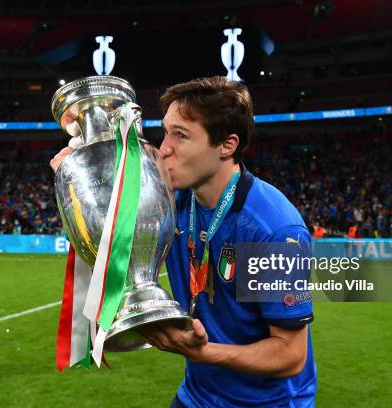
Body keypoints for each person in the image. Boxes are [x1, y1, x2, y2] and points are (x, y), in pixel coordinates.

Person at [50, 76, 316, 407]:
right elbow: (108, 236)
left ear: (226, 145)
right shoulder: (169, 201)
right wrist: (81, 177)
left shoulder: (273, 230)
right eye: (165, 132)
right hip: (196, 396)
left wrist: (203, 352)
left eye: (182, 136)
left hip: (264, 403)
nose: (164, 149)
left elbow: (291, 355)